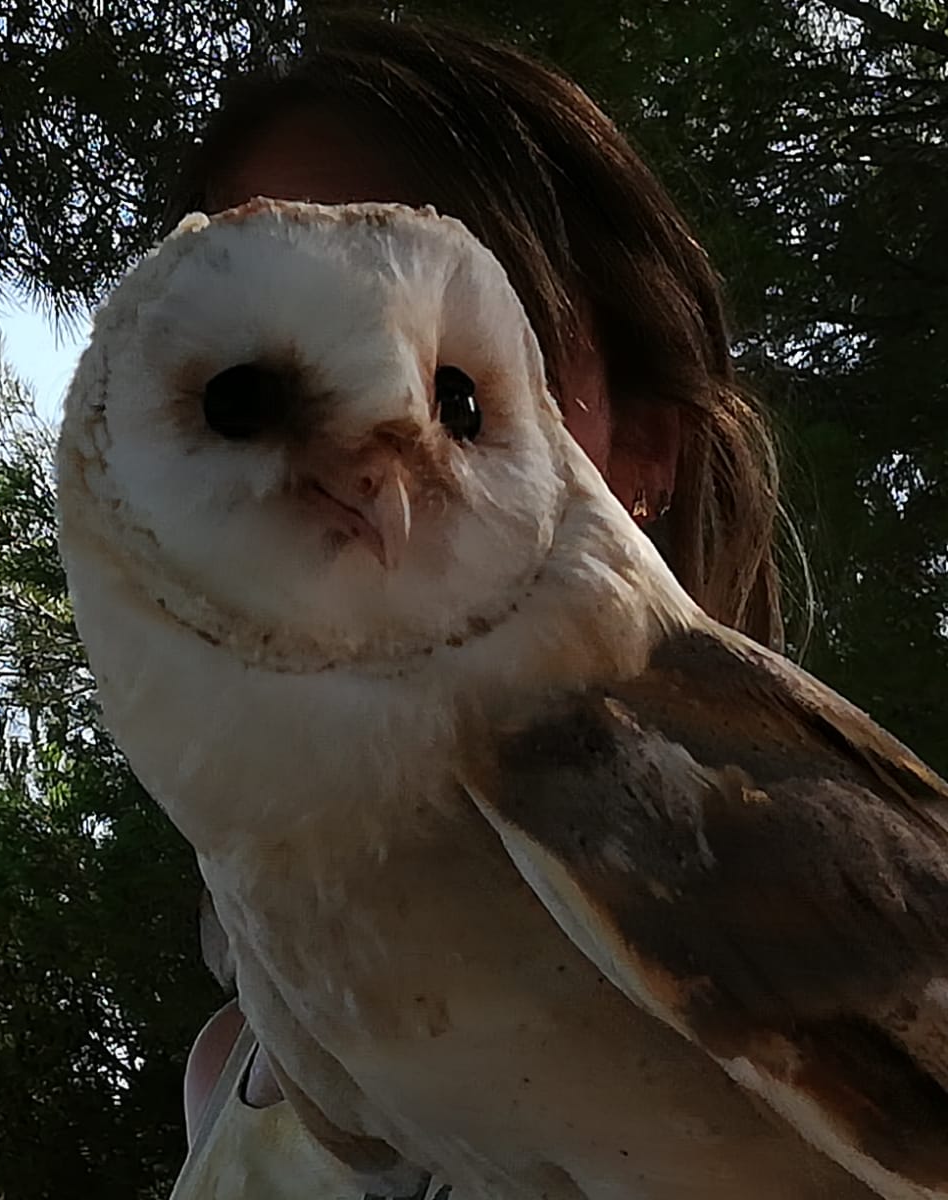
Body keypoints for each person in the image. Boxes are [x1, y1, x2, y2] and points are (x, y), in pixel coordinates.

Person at [154, 14, 795, 1199]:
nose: (351, 449)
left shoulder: (817, 925)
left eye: (454, 374)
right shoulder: (239, 1067)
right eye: (249, 378)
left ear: (641, 451)